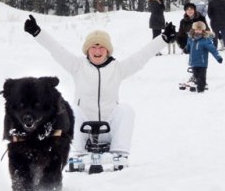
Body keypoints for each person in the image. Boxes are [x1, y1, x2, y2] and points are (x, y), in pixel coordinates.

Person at [24, 14, 176, 168]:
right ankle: (77, 154)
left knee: (126, 110)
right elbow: (56, 50)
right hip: (83, 129)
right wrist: (37, 32)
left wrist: (162, 39)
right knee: (71, 109)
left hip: (108, 128)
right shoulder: (77, 66)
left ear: (108, 50)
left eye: (101, 46)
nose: (97, 50)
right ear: (87, 50)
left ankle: (119, 154)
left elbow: (142, 56)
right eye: (93, 47)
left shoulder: (118, 68)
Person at [184, 21, 223, 92]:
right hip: (194, 62)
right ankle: (199, 85)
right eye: (196, 29)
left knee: (202, 77)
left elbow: (213, 49)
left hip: (202, 63)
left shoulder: (205, 40)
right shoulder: (191, 39)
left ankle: (201, 90)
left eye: (200, 30)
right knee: (196, 76)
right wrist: (186, 49)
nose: (198, 31)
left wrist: (218, 57)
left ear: (203, 30)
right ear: (193, 29)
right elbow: (188, 46)